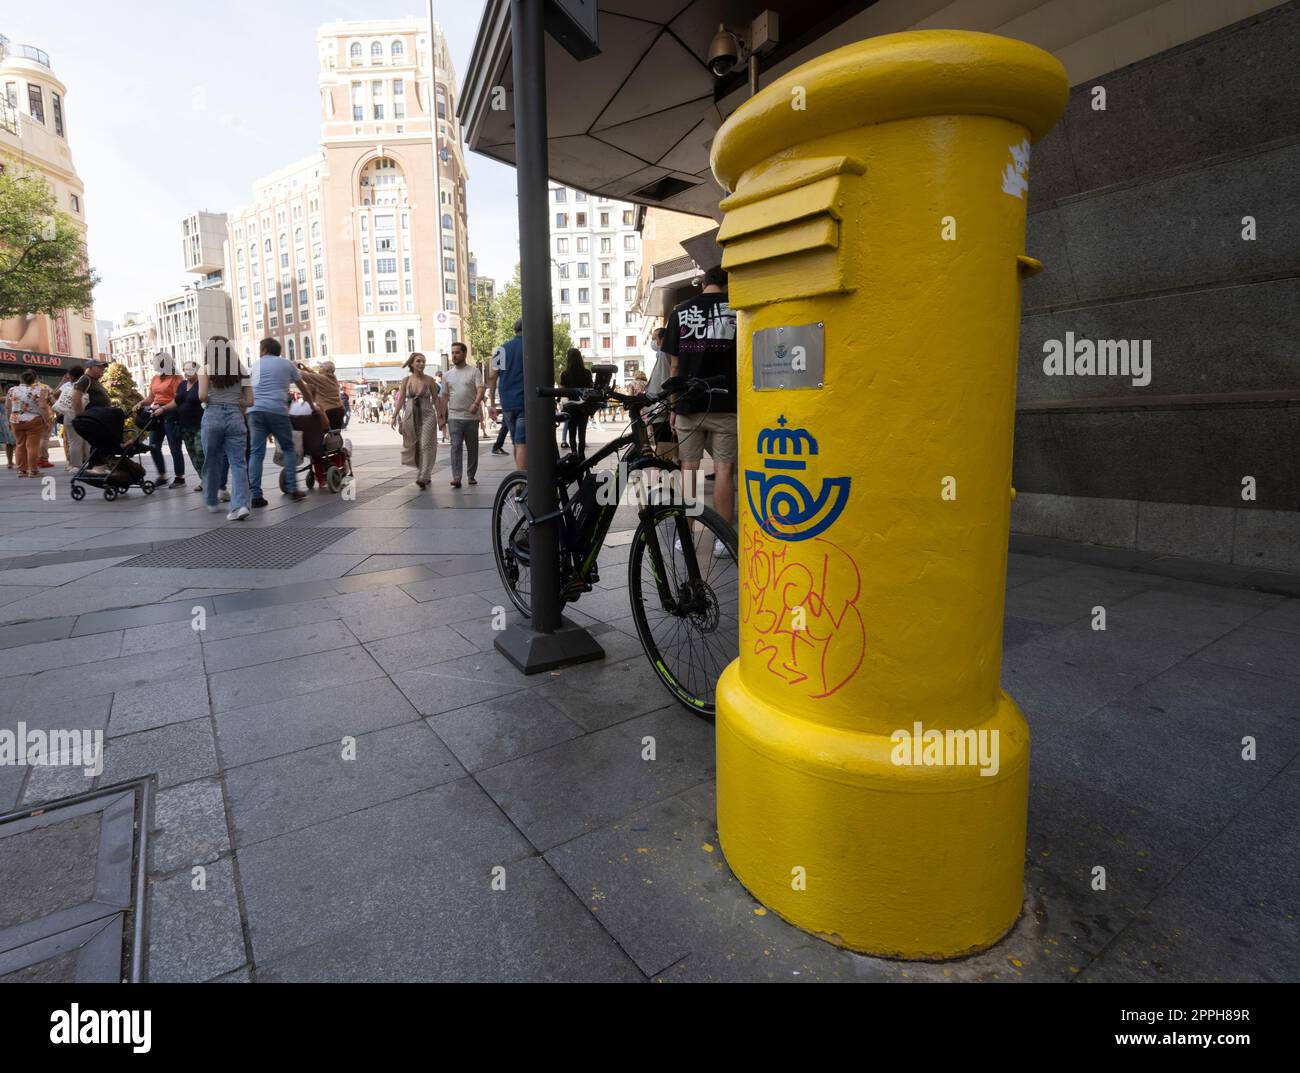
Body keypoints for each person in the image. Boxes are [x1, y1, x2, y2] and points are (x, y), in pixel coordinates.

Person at [663, 264, 737, 555]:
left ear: (702, 283)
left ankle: (686, 537)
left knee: (690, 470)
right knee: (723, 470)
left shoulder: (682, 312)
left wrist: (673, 407)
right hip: (725, 402)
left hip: (688, 404)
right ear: (727, 285)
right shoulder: (736, 312)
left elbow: (675, 366)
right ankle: (722, 540)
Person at [247, 337, 310, 507]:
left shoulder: (254, 365)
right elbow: (302, 386)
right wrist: (312, 404)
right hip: (277, 410)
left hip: (255, 411)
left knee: (256, 452)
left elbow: (246, 389)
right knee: (288, 448)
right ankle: (292, 488)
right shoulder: (287, 364)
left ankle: (256, 495)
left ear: (265, 350)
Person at [198, 336, 253, 521]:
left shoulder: (205, 369)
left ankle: (211, 500)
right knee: (238, 463)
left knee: (212, 460)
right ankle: (240, 505)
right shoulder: (242, 370)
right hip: (236, 417)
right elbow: (250, 401)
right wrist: (235, 401)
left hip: (212, 416)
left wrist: (215, 399)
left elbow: (202, 396)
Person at [395, 353, 443, 488]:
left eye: (423, 361)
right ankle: (425, 472)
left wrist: (440, 417)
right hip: (410, 416)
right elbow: (401, 400)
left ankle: (423, 475)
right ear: (412, 363)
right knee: (415, 446)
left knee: (426, 445)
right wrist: (394, 416)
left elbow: (436, 399)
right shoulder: (406, 380)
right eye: (418, 361)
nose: (421, 364)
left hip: (428, 415)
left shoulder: (429, 380)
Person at [139, 351, 186, 486]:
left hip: (171, 413)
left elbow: (178, 399)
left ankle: (180, 477)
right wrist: (141, 403)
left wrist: (164, 408)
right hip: (156, 413)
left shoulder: (176, 379)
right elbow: (151, 398)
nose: (152, 364)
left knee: (174, 447)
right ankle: (162, 475)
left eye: (154, 361)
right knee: (153, 445)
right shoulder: (155, 378)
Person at [443, 341, 484, 488]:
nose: (454, 355)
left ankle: (471, 475)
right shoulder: (447, 375)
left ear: (464, 354)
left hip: (471, 417)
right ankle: (457, 477)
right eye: (452, 353)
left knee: (472, 447)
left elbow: (480, 389)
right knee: (455, 447)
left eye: (457, 352)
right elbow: (444, 396)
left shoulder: (474, 372)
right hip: (454, 416)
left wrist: (476, 403)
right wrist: (441, 418)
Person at [487, 318, 527, 468]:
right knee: (522, 441)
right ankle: (522, 481)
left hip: (507, 401)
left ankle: (519, 480)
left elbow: (492, 376)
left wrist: (491, 402)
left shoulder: (501, 349)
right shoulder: (531, 346)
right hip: (524, 400)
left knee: (516, 439)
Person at [163, 361, 206, 492]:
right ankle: (204, 480)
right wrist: (163, 408)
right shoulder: (182, 385)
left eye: (190, 370)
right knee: (192, 454)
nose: (187, 373)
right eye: (185, 370)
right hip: (185, 426)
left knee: (200, 452)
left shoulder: (202, 384)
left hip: (199, 424)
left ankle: (209, 479)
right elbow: (176, 402)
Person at [5, 371, 53, 478]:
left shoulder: (12, 390)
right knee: (32, 446)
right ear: (34, 380)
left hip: (16, 420)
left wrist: (9, 420)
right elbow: (42, 406)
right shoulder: (39, 390)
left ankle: (21, 470)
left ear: (21, 379)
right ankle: (33, 471)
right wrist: (47, 420)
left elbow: (8, 407)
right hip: (33, 419)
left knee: (19, 444)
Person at [558, 348, 594, 456]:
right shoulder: (587, 373)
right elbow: (590, 388)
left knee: (572, 432)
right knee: (582, 432)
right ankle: (581, 454)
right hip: (583, 406)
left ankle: (574, 453)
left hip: (570, 407)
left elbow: (562, 390)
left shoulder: (565, 374)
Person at [296, 360, 345, 430]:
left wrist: (293, 368)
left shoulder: (322, 379)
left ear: (325, 370)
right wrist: (307, 369)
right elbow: (317, 376)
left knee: (324, 434)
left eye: (321, 367)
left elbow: (305, 376)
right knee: (335, 435)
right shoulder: (333, 378)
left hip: (328, 411)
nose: (319, 368)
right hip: (338, 410)